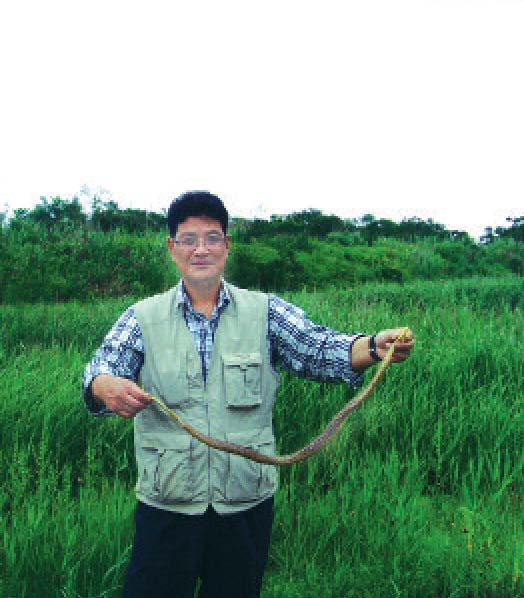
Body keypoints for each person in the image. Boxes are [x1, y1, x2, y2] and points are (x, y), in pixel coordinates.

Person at [82, 190, 414, 598]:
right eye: (188, 239)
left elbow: (317, 348)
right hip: (166, 506)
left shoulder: (266, 311)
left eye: (212, 237)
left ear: (227, 245)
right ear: (172, 248)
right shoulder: (141, 317)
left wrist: (371, 348)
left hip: (245, 506)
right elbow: (99, 369)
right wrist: (105, 386)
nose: (200, 249)